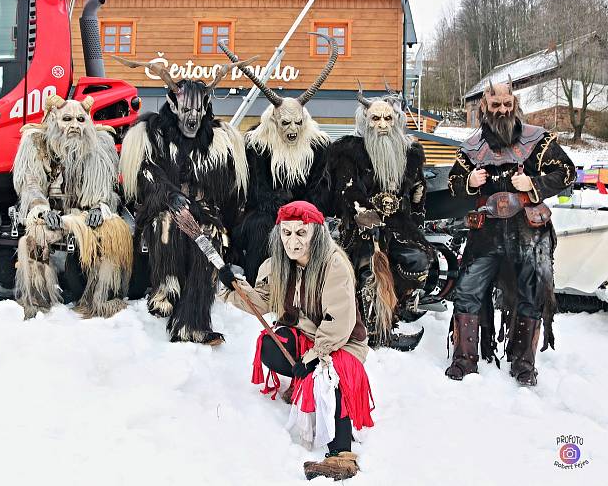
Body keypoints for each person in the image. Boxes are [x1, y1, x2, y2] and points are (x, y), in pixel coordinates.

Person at [219, 201, 373, 481]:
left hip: (340, 341)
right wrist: (234, 285)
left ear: (316, 233)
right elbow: (262, 301)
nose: (292, 241)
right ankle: (305, 385)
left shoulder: (333, 265)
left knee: (329, 376)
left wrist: (316, 355)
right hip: (306, 336)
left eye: (301, 233)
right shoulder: (276, 264)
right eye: (286, 233)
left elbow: (339, 321)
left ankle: (342, 455)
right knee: (271, 345)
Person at [446, 79, 575, 386]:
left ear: (515, 104)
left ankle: (523, 364)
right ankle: (464, 360)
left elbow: (567, 173)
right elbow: (453, 184)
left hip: (527, 232)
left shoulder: (537, 140)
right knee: (467, 291)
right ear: (484, 107)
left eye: (507, 104)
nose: (502, 110)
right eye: (495, 105)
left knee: (531, 295)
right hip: (486, 233)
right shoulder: (472, 147)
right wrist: (470, 183)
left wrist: (534, 185)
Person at [116, 55, 252, 344]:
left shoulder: (220, 139)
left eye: (198, 109)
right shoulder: (150, 133)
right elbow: (143, 174)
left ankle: (193, 323)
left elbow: (228, 192)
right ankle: (166, 287)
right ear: (173, 104)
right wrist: (169, 195)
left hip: (204, 214)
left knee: (211, 239)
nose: (192, 117)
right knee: (165, 225)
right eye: (185, 108)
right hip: (161, 209)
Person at [321, 84, 431, 349]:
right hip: (362, 226)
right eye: (376, 118)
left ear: (396, 121)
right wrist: (364, 214)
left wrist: (417, 199)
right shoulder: (350, 152)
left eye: (388, 118)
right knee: (370, 267)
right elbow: (348, 189)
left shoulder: (408, 154)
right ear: (365, 121)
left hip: (399, 224)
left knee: (417, 261)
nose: (382, 124)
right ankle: (377, 331)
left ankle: (398, 306)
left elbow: (416, 189)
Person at [218, 37, 333, 281]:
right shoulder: (256, 146)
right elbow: (253, 191)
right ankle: (260, 282)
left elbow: (318, 189)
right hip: (261, 214)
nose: (292, 130)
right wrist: (281, 207)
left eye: (297, 123)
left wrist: (302, 211)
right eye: (285, 123)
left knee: (310, 231)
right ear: (274, 122)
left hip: (303, 213)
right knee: (262, 227)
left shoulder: (318, 148)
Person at [13, 94, 133, 319]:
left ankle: (101, 301)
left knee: (112, 233)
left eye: (80, 119)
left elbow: (106, 187)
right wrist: (42, 209)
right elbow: (30, 184)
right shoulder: (36, 143)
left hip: (85, 214)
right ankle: (38, 303)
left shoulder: (100, 144)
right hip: (53, 214)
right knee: (35, 236)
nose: (75, 125)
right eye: (67, 119)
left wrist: (101, 207)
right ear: (54, 119)